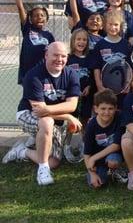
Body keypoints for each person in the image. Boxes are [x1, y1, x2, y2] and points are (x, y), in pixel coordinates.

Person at [4, 42, 82, 185]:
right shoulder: (33, 75)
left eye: (63, 56)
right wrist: (67, 116)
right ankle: (43, 170)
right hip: (27, 114)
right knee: (46, 122)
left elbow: (72, 105)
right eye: (55, 55)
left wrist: (53, 110)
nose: (59, 59)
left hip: (50, 118)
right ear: (46, 55)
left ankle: (22, 151)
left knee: (54, 162)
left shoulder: (71, 74)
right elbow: (39, 111)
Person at [9, 0, 55, 85]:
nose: (39, 17)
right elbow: (21, 8)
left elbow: (53, 53)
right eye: (36, 15)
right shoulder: (27, 29)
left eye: (42, 15)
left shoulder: (49, 36)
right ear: (30, 19)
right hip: (28, 73)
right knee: (29, 97)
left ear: (46, 18)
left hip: (43, 72)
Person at [83, 89, 125, 188]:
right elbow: (86, 153)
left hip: (114, 154)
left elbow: (116, 146)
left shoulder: (119, 118)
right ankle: (101, 171)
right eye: (103, 108)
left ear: (116, 108)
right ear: (96, 109)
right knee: (97, 183)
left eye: (110, 108)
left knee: (113, 161)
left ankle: (115, 169)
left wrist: (93, 158)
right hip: (98, 159)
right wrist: (92, 173)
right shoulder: (91, 125)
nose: (106, 112)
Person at [92, 10, 131, 94]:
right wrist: (99, 86)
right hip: (105, 87)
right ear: (105, 25)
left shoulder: (126, 44)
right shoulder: (100, 44)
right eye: (110, 24)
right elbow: (96, 68)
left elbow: (129, 68)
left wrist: (128, 84)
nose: (113, 27)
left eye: (116, 24)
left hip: (122, 86)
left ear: (120, 26)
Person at [67, 28, 92, 124]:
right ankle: (67, 138)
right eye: (78, 39)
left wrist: (89, 86)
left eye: (84, 40)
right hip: (72, 95)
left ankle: (84, 138)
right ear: (73, 41)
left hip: (86, 95)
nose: (81, 42)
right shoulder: (68, 58)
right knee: (71, 120)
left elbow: (92, 76)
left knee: (84, 120)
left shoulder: (90, 58)